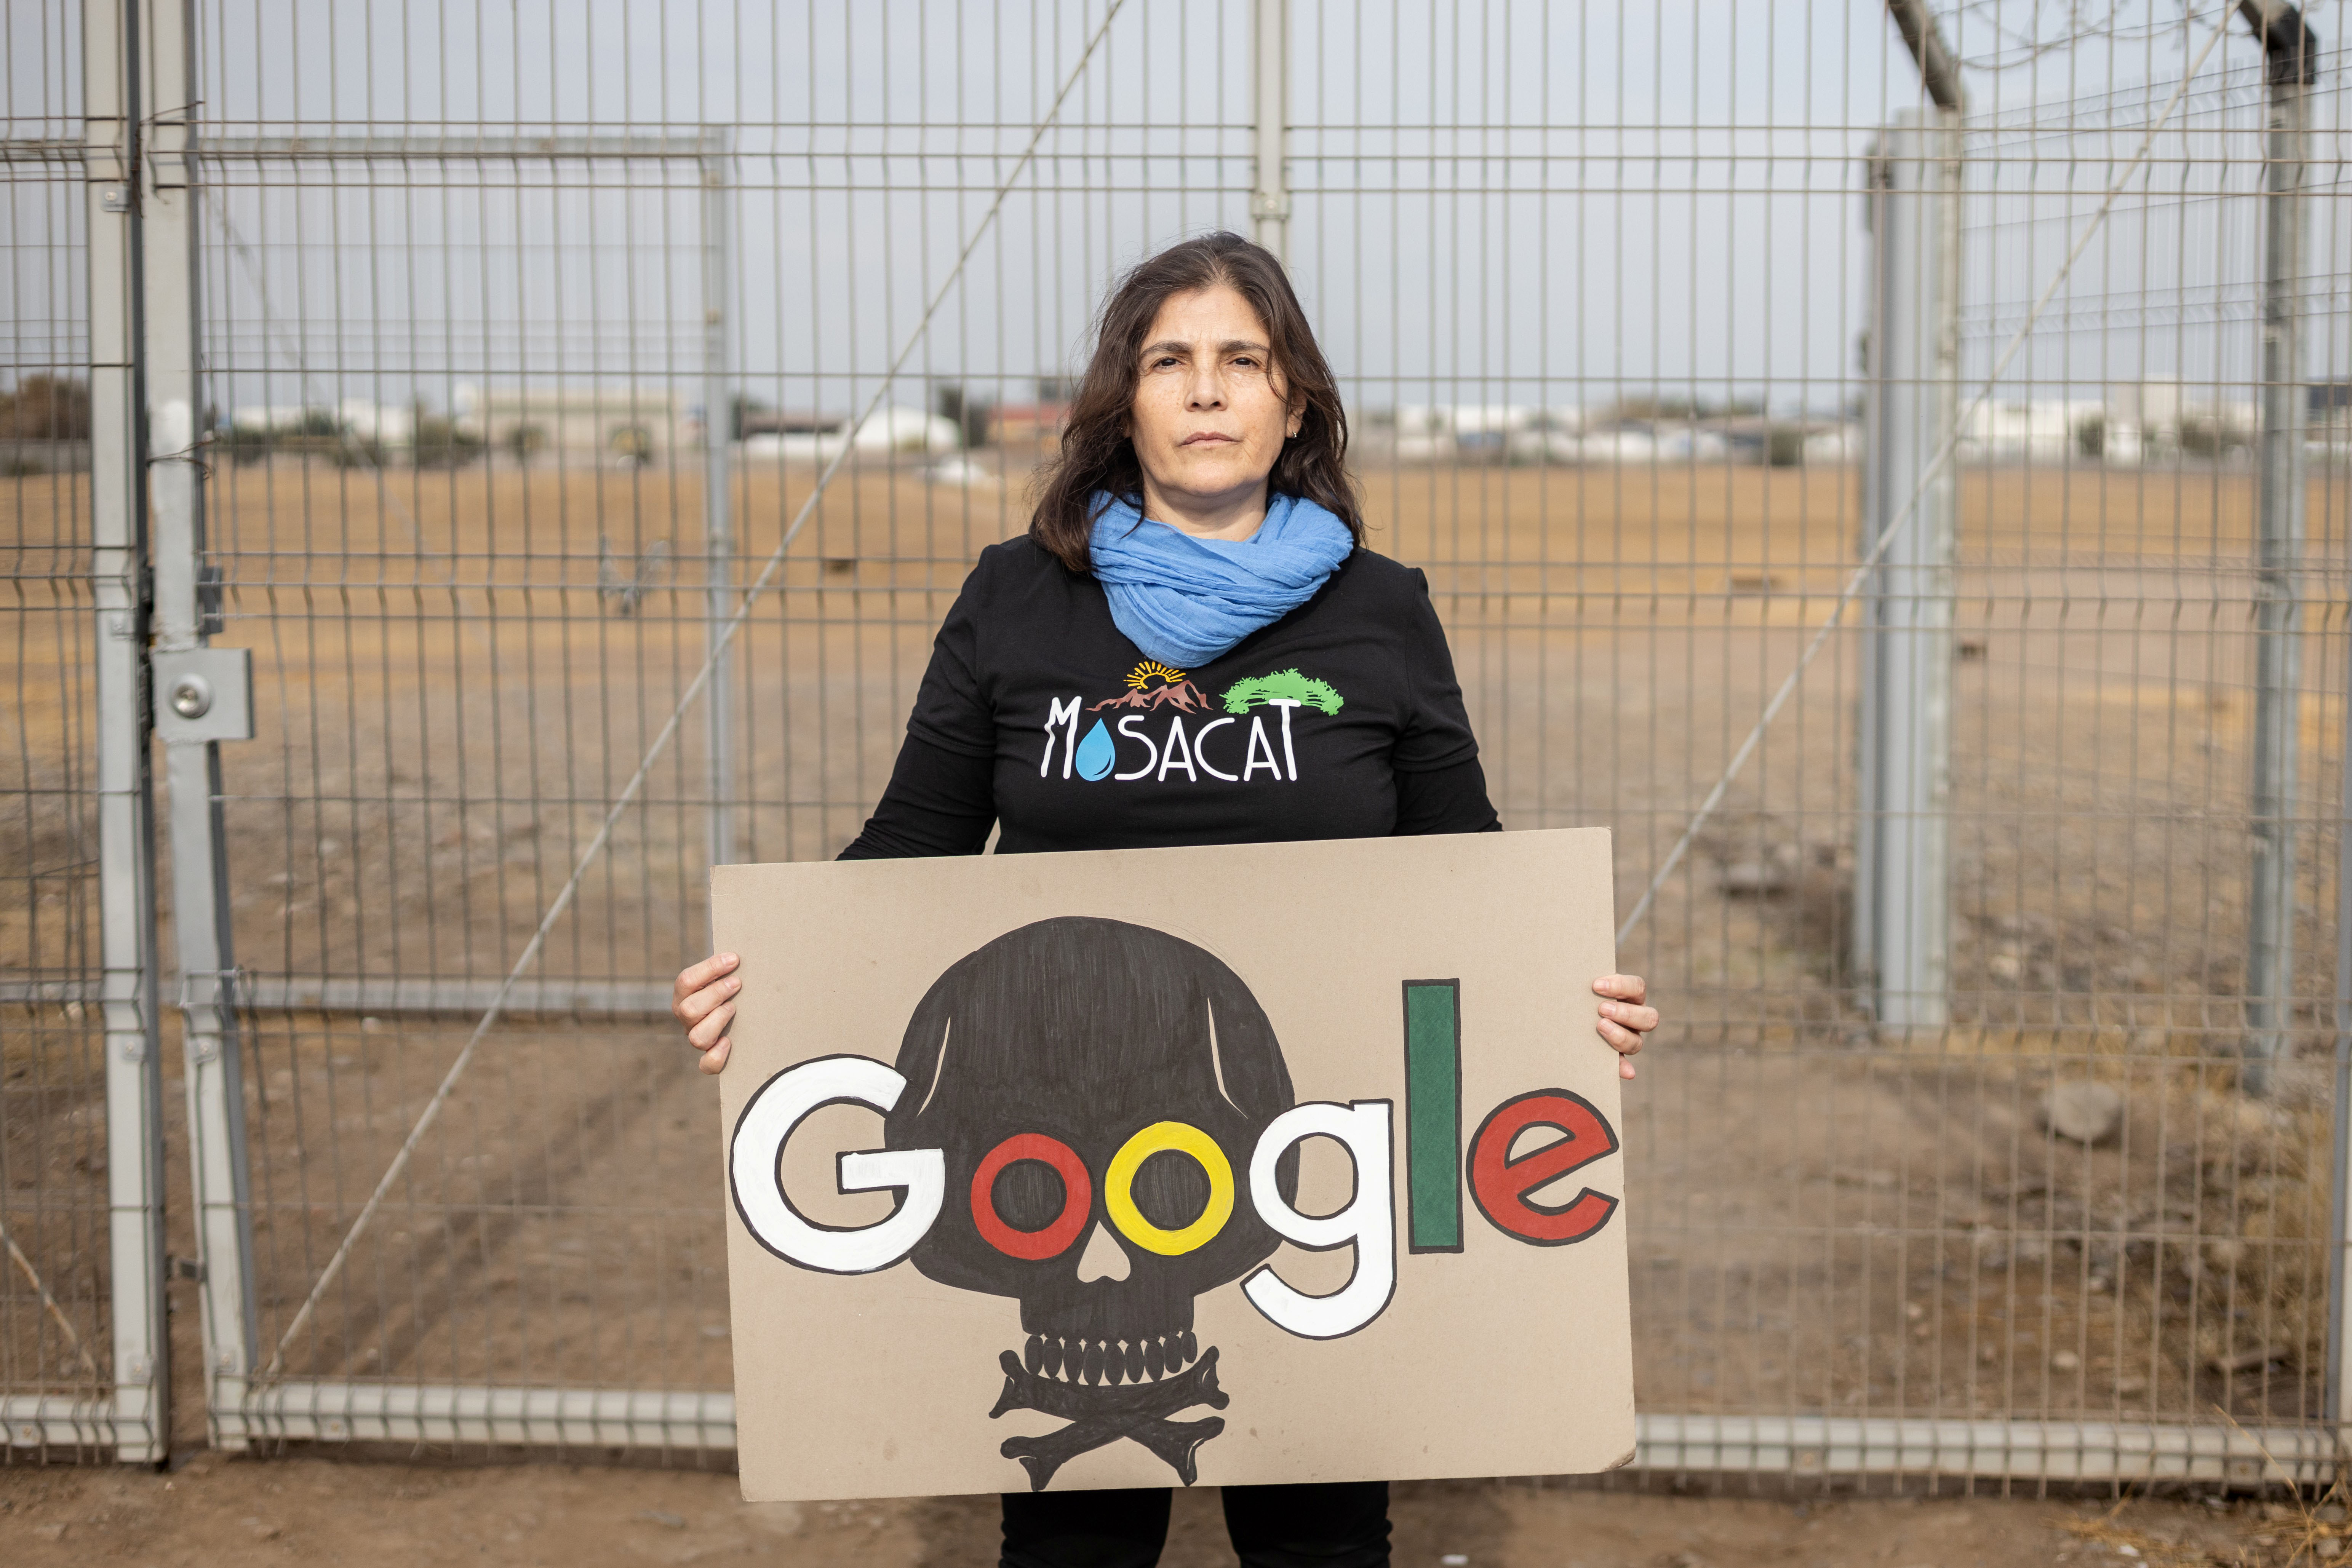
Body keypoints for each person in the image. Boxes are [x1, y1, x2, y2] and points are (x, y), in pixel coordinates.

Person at [671, 231, 1660, 1568]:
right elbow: (911, 850)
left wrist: (1568, 1004)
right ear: (1122, 401)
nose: (1206, 392)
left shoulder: (1382, 613)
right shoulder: (1019, 599)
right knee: (1074, 1551)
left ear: (1292, 401)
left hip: (1312, 1167)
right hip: (1055, 1161)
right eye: (1170, 361)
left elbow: (1465, 879)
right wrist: (773, 985)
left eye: (1241, 362)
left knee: (1322, 1540)